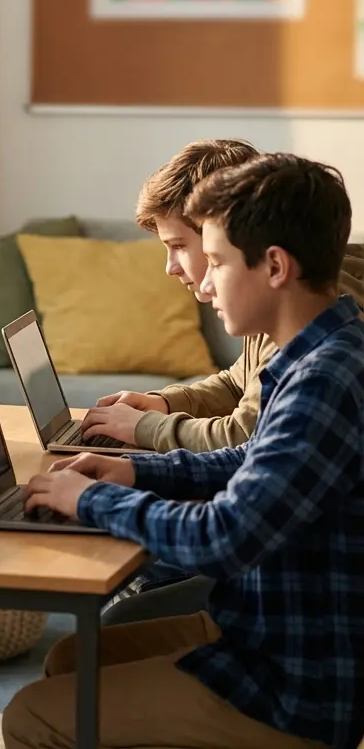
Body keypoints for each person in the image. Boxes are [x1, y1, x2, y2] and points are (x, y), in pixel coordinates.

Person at [7, 153, 364, 749]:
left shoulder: (326, 378)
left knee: (31, 716)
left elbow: (223, 536)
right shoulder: (315, 350)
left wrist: (92, 499)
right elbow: (248, 462)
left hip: (288, 684)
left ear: (274, 266)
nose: (203, 280)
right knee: (74, 662)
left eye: (217, 262)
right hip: (259, 634)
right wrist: (131, 469)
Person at [87, 140, 364, 625]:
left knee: (116, 620)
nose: (182, 271)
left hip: (298, 632)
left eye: (190, 251)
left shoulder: (324, 360)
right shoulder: (303, 320)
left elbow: (246, 450)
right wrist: (154, 421)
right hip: (282, 576)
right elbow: (241, 392)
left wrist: (138, 444)